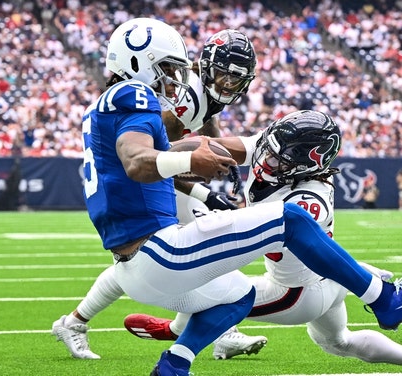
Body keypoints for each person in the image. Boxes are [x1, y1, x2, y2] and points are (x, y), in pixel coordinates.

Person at [71, 18, 402, 376]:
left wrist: (197, 157)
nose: (176, 77)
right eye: (168, 67)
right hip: (163, 253)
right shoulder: (131, 93)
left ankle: (176, 362)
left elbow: (178, 149)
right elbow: (140, 161)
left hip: (135, 265)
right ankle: (384, 300)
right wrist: (193, 160)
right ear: (139, 61)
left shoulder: (101, 108)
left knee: (239, 293)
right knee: (289, 221)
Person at [124, 110, 402, 376]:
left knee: (224, 292)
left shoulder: (311, 197)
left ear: (307, 164)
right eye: (270, 149)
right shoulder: (278, 148)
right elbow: (215, 145)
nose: (266, 160)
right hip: (334, 280)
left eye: (279, 158)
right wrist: (164, 153)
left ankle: (174, 336)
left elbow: (263, 239)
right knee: (339, 341)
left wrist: (210, 221)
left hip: (298, 293)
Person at [52, 29, 266, 361]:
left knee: (145, 262)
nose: (230, 83)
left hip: (129, 191)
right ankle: (222, 331)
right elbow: (155, 159)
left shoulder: (199, 99)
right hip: (136, 185)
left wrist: (206, 189)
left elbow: (203, 142)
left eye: (239, 77)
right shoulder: (172, 99)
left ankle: (74, 322)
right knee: (203, 242)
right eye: (226, 73)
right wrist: (201, 192)